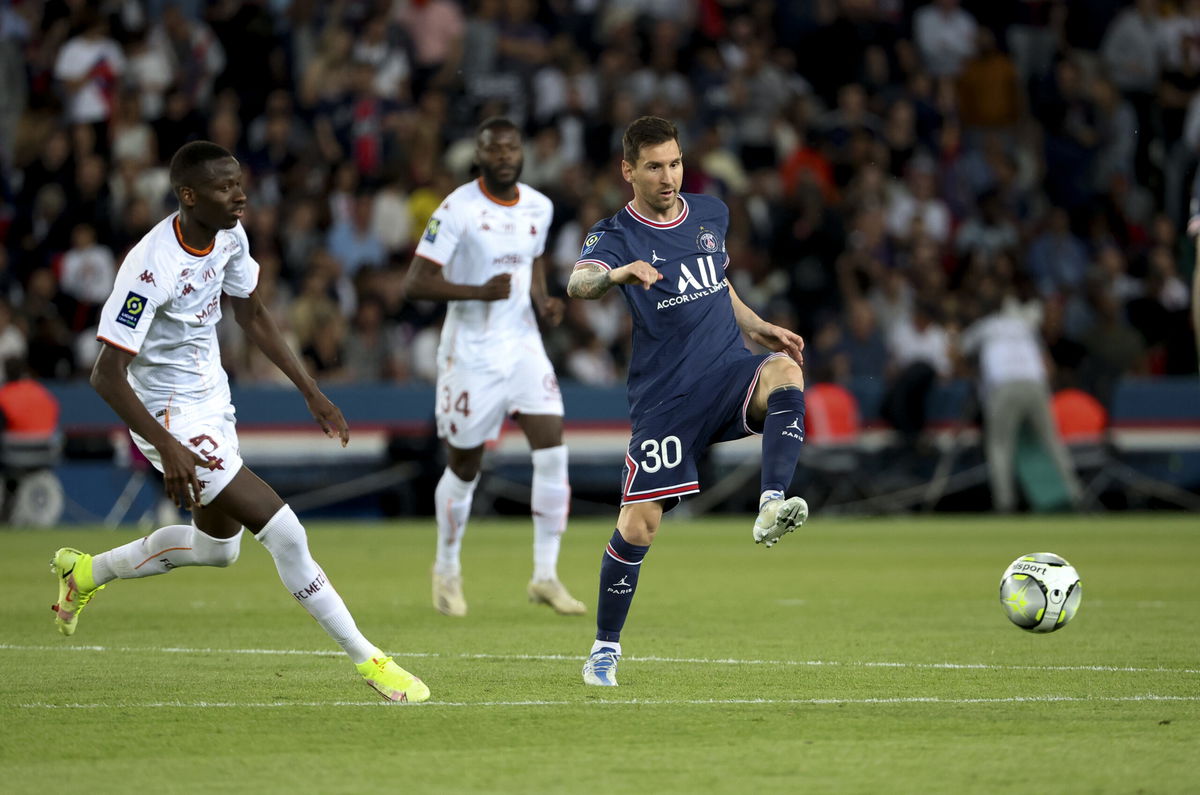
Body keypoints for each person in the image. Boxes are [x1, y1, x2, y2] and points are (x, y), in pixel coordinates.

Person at [54, 141, 428, 703]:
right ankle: (371, 662)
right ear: (188, 195)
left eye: (239, 182)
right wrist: (168, 446)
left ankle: (85, 573)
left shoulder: (230, 234)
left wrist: (311, 391)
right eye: (225, 186)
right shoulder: (149, 266)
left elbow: (250, 311)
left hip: (212, 400)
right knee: (285, 532)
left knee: (218, 549)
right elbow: (106, 375)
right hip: (168, 414)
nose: (240, 194)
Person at [567, 116, 809, 687]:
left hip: (727, 373)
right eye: (654, 166)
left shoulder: (710, 215)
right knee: (640, 525)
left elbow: (717, 285)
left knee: (784, 372)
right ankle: (603, 650)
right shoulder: (614, 233)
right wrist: (617, 275)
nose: (668, 175)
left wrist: (759, 326)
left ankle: (772, 500)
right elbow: (578, 281)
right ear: (629, 171)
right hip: (667, 399)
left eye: (674, 163)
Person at [403, 117, 585, 618]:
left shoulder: (539, 206)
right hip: (471, 353)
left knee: (553, 450)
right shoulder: (457, 209)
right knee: (464, 467)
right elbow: (415, 283)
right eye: (494, 149)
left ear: (521, 153)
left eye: (511, 148)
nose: (504, 156)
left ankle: (545, 576)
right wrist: (476, 291)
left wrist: (543, 302)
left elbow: (534, 260)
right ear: (479, 155)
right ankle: (446, 568)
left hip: (522, 345)